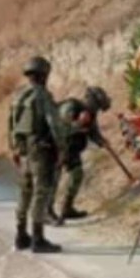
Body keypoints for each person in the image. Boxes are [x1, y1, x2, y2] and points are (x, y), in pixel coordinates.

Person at [8, 56, 65, 254]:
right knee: (41, 192)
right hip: (41, 150)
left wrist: (14, 149)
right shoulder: (43, 96)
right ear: (44, 75)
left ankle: (21, 235)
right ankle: (38, 239)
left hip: (23, 151)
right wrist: (62, 148)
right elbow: (54, 123)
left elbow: (11, 125)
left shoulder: (19, 97)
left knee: (25, 192)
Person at [49, 86, 112, 224]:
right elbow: (61, 128)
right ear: (90, 100)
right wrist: (79, 123)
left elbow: (93, 132)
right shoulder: (70, 106)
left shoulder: (90, 114)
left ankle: (67, 208)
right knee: (54, 179)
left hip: (72, 149)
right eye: (97, 106)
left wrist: (102, 142)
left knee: (77, 174)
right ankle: (47, 211)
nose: (96, 110)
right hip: (57, 147)